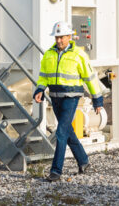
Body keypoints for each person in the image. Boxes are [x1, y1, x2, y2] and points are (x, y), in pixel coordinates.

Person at [33, 21, 103, 182]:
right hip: (55, 98)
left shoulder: (79, 54)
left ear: (70, 36)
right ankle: (84, 161)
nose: (59, 41)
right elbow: (44, 75)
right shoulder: (49, 54)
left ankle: (56, 171)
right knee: (68, 133)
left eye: (62, 37)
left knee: (61, 132)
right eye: (57, 37)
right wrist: (40, 89)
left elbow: (90, 79)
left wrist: (97, 99)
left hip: (71, 99)